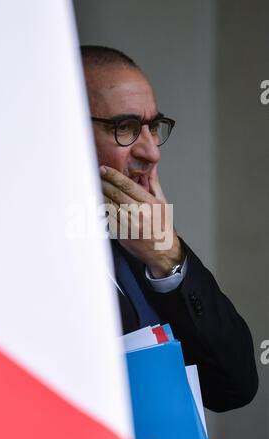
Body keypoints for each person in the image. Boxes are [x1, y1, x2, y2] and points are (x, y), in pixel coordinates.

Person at [81, 45, 258, 412]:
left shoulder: (143, 236)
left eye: (153, 127)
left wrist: (166, 256)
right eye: (125, 127)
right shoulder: (6, 248)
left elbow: (233, 387)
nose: (152, 151)